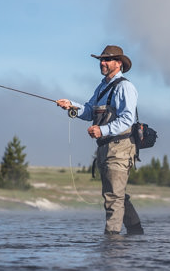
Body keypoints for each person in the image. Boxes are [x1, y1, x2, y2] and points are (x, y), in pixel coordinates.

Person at [56, 45, 144, 236]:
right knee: (115, 194)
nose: (102, 63)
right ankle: (136, 233)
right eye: (101, 60)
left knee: (113, 196)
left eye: (107, 60)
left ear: (118, 63)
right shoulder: (102, 86)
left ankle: (111, 242)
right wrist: (71, 106)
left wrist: (102, 129)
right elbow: (89, 110)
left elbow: (128, 118)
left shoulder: (125, 87)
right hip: (105, 148)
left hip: (121, 148)